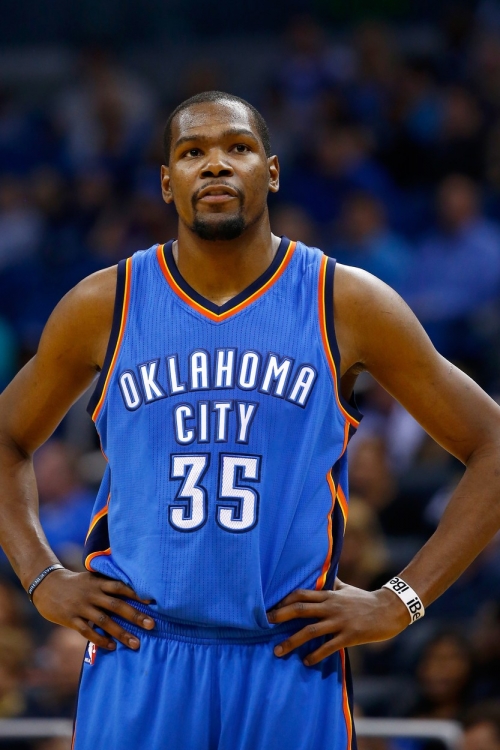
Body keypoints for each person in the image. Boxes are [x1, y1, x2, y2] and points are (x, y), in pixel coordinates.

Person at [0, 91, 500, 750]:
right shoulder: (104, 303)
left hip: (288, 656)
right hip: (140, 651)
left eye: (237, 147)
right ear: (167, 183)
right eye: (192, 152)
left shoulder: (344, 300)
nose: (215, 164)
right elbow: (7, 439)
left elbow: (492, 445)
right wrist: (40, 577)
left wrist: (398, 601)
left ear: (272, 172)